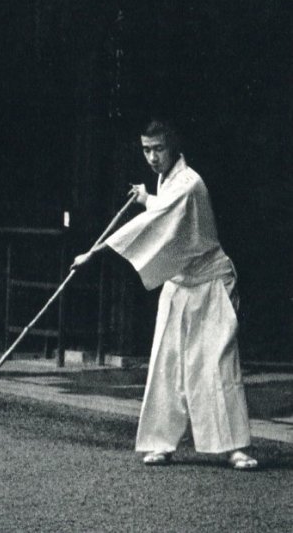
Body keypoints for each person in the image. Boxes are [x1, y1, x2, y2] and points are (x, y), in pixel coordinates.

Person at [72, 119, 256, 470]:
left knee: (216, 363)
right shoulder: (168, 182)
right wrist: (146, 197)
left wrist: (93, 254)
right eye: (146, 149)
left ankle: (234, 447)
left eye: (159, 149)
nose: (153, 157)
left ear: (173, 147)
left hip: (211, 282)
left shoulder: (190, 183)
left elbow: (153, 224)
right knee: (165, 363)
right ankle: (161, 442)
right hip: (179, 282)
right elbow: (163, 210)